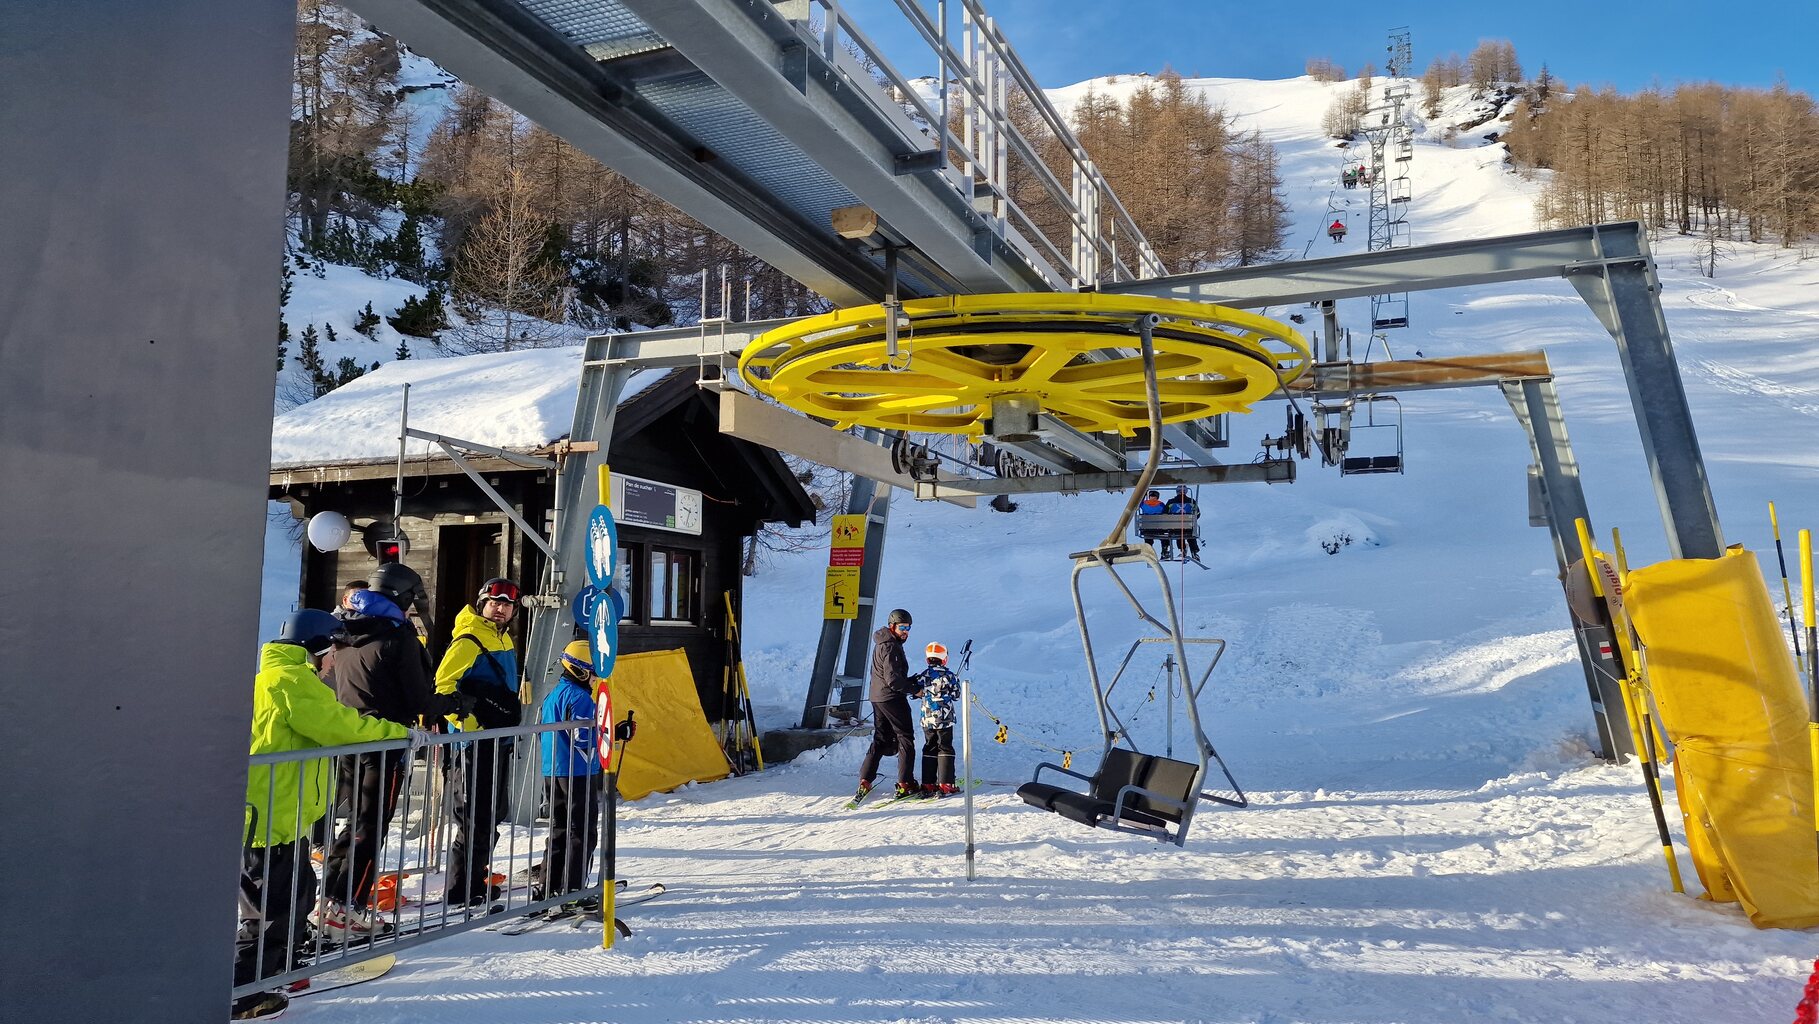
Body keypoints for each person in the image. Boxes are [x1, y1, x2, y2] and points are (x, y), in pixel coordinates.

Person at [235, 610, 422, 1021]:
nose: (335, 661)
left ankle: (278, 965)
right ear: (316, 647)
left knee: (299, 887)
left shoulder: (282, 678)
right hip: (270, 817)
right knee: (270, 907)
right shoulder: (290, 681)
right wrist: (399, 733)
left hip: (281, 814)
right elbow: (339, 726)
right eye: (333, 651)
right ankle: (244, 989)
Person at [316, 562, 452, 941]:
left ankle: (329, 901)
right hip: (385, 740)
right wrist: (455, 701)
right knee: (370, 827)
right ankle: (347, 908)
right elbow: (417, 698)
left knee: (355, 824)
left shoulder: (347, 629)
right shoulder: (397, 636)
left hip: (350, 738)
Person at [434, 576, 523, 906]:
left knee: (491, 814)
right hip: (473, 744)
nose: (501, 609)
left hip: (496, 740)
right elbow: (443, 689)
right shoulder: (468, 641)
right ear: (482, 603)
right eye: (495, 602)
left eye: (508, 605)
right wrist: (471, 724)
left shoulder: (504, 640)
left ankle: (475, 879)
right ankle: (461, 889)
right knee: (473, 817)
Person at [534, 641, 633, 909]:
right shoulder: (579, 698)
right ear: (579, 671)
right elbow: (584, 739)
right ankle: (574, 889)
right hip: (577, 770)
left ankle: (549, 886)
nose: (595, 678)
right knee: (582, 830)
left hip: (552, 769)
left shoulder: (556, 692)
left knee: (559, 828)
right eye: (592, 673)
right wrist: (616, 735)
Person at [854, 608, 921, 801]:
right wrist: (915, 690)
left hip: (878, 697)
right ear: (892, 626)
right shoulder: (891, 646)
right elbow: (893, 680)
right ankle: (905, 783)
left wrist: (910, 681)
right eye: (902, 627)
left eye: (908, 628)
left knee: (882, 739)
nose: (906, 631)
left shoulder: (883, 642)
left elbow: (889, 675)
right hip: (891, 698)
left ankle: (865, 779)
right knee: (905, 737)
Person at [914, 642, 962, 797]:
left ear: (928, 660)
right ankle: (946, 783)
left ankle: (928, 783)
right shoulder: (950, 676)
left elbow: (915, 692)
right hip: (945, 718)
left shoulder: (923, 675)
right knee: (945, 747)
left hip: (927, 718)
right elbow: (956, 695)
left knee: (929, 747)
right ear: (944, 659)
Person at [1166, 485, 1202, 561]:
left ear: (1177, 492)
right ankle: (1194, 552)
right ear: (1186, 492)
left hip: (1174, 528)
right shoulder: (1191, 501)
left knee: (1178, 534)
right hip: (1188, 527)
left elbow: (1164, 514)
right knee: (1191, 534)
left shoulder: (1170, 502)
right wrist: (1192, 520)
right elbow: (1198, 514)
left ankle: (1182, 549)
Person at [1137, 489, 1170, 557]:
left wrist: (1143, 495)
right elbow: (1165, 512)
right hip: (1159, 529)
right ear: (1157, 497)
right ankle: (1164, 550)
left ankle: (1148, 551)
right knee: (1164, 536)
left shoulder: (1144, 504)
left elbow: (1139, 503)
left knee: (1148, 535)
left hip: (1147, 529)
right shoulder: (1161, 505)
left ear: (1149, 496)